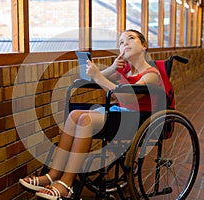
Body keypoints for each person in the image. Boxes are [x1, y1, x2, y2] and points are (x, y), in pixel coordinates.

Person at [19, 29, 162, 199]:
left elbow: (126, 96)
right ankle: (53, 174)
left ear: (144, 45)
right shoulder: (124, 72)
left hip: (137, 119)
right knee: (74, 115)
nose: (125, 44)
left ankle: (66, 184)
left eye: (131, 39)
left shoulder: (151, 74)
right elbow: (90, 79)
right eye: (121, 42)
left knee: (85, 119)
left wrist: (99, 76)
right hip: (119, 114)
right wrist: (111, 68)